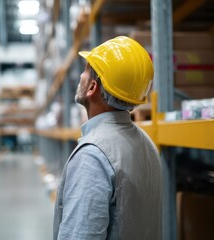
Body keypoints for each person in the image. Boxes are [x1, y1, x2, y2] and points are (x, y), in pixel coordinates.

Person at [53, 36, 162, 240]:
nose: (80, 76)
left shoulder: (93, 156)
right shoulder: (147, 144)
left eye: (86, 70)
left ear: (93, 87)